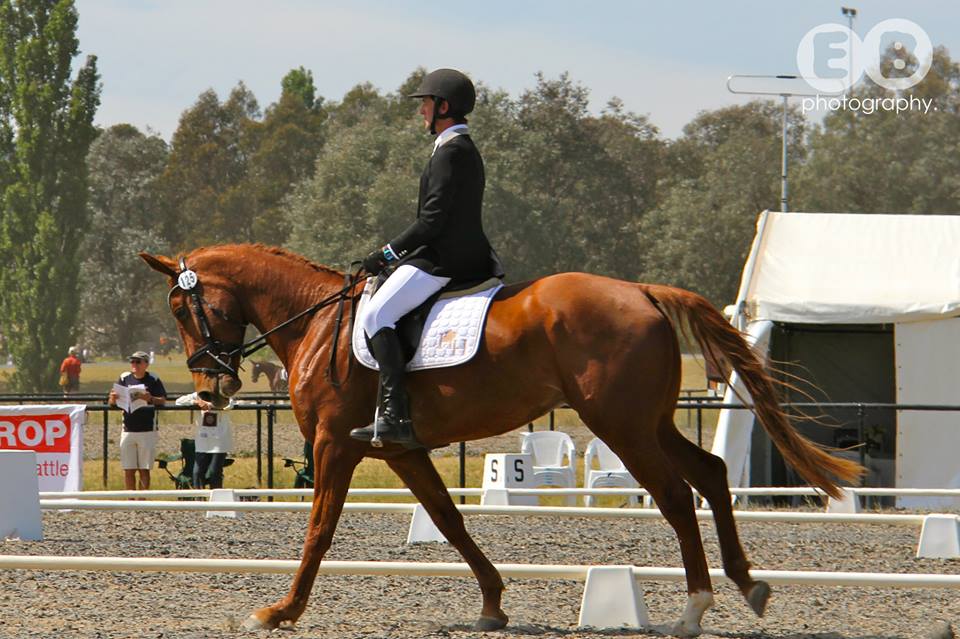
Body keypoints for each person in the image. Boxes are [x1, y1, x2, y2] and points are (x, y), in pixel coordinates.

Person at [350, 68, 504, 447]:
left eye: (426, 104)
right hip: (450, 253)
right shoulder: (455, 149)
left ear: (443, 107)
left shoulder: (452, 153)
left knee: (375, 315)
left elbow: (432, 220)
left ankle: (393, 415)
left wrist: (386, 253)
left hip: (444, 259)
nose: (421, 111)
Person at [108, 350, 167, 491]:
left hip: (147, 430)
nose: (134, 364)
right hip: (128, 429)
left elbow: (163, 400)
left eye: (138, 361)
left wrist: (150, 398)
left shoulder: (153, 379)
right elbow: (111, 402)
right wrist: (113, 398)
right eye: (132, 361)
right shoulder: (124, 377)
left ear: (146, 364)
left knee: (144, 469)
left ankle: (142, 499)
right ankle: (130, 499)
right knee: (128, 469)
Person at [175, 391, 233, 489]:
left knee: (214, 472)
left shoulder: (223, 395)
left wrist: (210, 405)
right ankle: (199, 498)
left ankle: (216, 498)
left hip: (219, 442)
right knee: (197, 473)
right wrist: (196, 402)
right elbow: (179, 401)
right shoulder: (198, 395)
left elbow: (230, 404)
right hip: (202, 442)